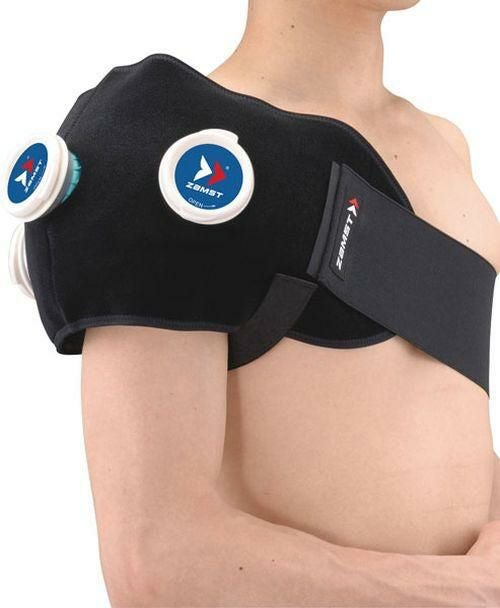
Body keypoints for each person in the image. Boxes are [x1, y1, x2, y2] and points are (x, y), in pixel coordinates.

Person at [81, 1, 500, 605]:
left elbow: (440, 439)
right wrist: (469, 591)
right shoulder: (164, 140)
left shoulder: (445, 149)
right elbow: (156, 561)